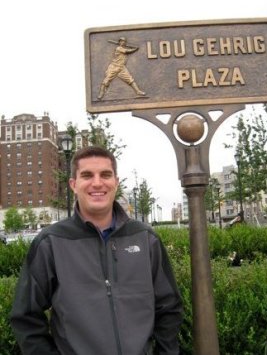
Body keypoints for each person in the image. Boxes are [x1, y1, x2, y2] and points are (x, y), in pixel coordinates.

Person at [10, 146, 182, 355]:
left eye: (106, 175)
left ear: (116, 183)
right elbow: (25, 316)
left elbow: (169, 307)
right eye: (87, 175)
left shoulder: (146, 239)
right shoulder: (51, 243)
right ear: (74, 184)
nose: (97, 183)